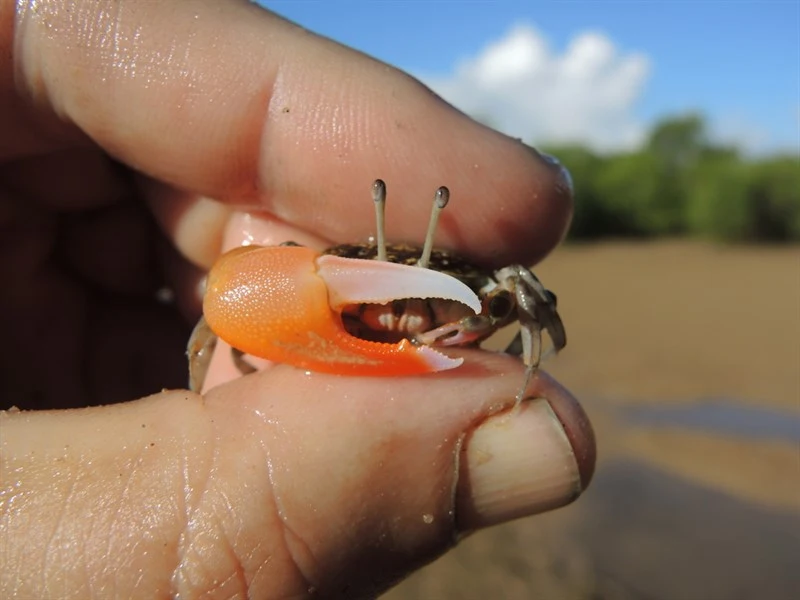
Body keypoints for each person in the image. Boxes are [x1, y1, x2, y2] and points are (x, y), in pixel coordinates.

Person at [0, 1, 595, 597]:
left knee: (516, 278)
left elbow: (520, 287)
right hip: (332, 313)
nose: (400, 299)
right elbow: (223, 304)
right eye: (382, 275)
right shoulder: (323, 268)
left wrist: (527, 352)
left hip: (459, 320)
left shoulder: (477, 286)